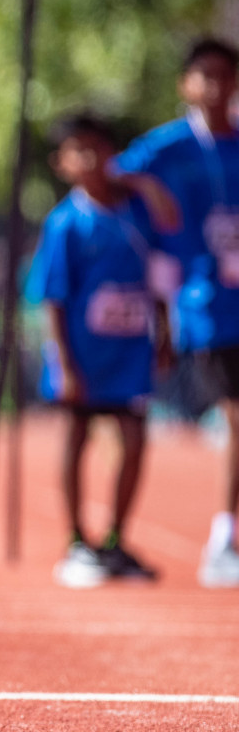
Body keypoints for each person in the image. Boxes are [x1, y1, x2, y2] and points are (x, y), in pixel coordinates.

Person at [115, 38, 239, 587]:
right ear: (185, 85)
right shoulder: (164, 147)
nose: (215, 87)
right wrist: (152, 193)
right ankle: (223, 539)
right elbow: (107, 176)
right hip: (206, 305)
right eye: (204, 76)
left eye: (225, 76)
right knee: (237, 419)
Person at [29, 112, 169, 588]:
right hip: (82, 354)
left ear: (114, 154)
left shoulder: (137, 210)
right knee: (76, 437)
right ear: (61, 163)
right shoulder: (65, 223)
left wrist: (165, 334)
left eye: (98, 149)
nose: (90, 159)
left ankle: (115, 540)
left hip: (130, 352)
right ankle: (75, 541)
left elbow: (161, 272)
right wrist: (63, 363)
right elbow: (51, 297)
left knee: (134, 438)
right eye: (78, 151)